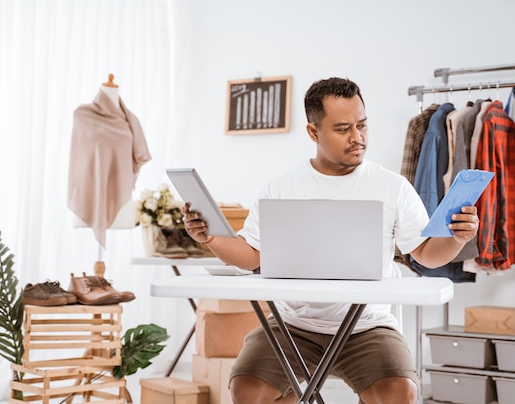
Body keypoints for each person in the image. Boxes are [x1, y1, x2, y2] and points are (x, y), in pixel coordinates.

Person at [183, 77, 479, 404]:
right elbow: (252, 255)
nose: (358, 137)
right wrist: (210, 237)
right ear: (313, 132)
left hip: (367, 328)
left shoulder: (391, 186)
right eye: (343, 129)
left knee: (401, 394)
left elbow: (425, 254)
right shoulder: (281, 187)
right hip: (293, 325)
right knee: (247, 390)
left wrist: (455, 238)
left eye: (362, 125)